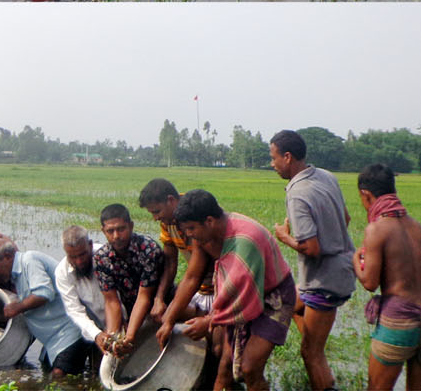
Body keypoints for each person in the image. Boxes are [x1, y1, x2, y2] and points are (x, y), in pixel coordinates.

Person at [173, 189, 294, 391]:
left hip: (274, 298)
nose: (189, 235)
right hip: (242, 298)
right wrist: (169, 319)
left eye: (192, 228)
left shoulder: (244, 241)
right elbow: (196, 278)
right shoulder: (213, 234)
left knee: (250, 369)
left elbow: (244, 298)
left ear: (209, 221)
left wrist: (209, 321)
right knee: (225, 368)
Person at [269, 129, 355, 391]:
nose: (272, 165)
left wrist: (284, 238)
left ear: (287, 157)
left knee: (309, 353)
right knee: (290, 304)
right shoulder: (326, 176)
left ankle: (324, 380)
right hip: (343, 269)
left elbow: (311, 248)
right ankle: (322, 367)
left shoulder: (297, 194)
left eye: (273, 158)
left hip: (323, 281)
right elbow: (347, 219)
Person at [355, 163, 421, 390]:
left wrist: (355, 260)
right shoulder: (417, 227)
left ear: (366, 195)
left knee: (377, 387)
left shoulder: (377, 229)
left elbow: (370, 282)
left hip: (399, 320)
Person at [0, 237, 92, 378]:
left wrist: (18, 307)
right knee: (47, 372)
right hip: (54, 339)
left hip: (70, 331)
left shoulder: (29, 260)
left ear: (7, 257)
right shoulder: (16, 276)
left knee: (59, 377)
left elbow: (44, 293)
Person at [139, 178, 214, 349]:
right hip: (200, 289)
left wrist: (170, 316)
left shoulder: (194, 214)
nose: (155, 218)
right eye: (152, 213)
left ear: (171, 200)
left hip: (219, 289)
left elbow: (195, 274)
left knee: (216, 346)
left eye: (157, 211)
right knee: (159, 315)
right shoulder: (169, 221)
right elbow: (170, 263)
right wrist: (159, 299)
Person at [94, 203, 164, 357]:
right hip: (133, 311)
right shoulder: (102, 258)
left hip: (159, 306)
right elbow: (111, 302)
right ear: (103, 231)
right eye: (110, 231)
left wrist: (130, 336)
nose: (116, 236)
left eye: (121, 229)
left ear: (131, 226)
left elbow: (144, 296)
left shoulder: (148, 249)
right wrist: (113, 336)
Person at [55, 225, 109, 355]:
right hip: (98, 326)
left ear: (90, 245)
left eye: (82, 254)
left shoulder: (105, 256)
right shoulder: (62, 272)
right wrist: (97, 334)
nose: (79, 261)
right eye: (72, 257)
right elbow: (75, 311)